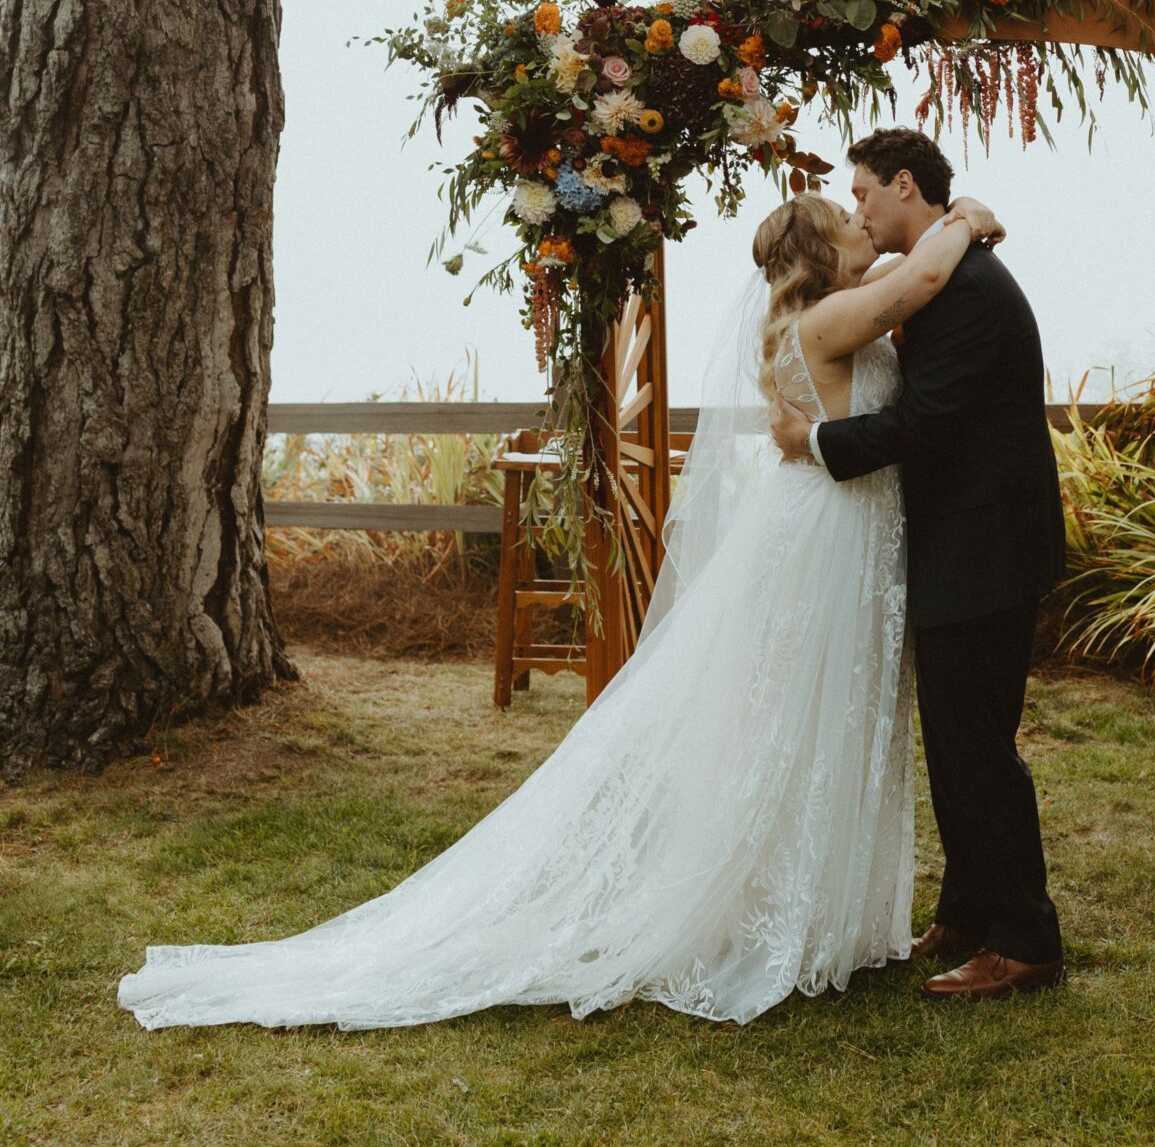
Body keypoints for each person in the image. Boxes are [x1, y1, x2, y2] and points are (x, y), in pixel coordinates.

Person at [117, 188, 999, 1031]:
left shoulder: (824, 314)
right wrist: (963, 217)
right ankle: (785, 911)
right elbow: (919, 282)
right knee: (807, 716)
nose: (858, 222)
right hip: (828, 534)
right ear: (816, 252)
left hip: (843, 525)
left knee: (826, 715)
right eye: (843, 218)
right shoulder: (826, 319)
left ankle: (809, 906)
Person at [770, 127, 1067, 1000]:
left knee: (977, 749)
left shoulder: (966, 288)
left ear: (904, 186)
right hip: (956, 542)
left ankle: (1024, 939)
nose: (855, 208)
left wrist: (815, 439)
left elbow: (924, 424)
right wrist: (968, 217)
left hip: (984, 549)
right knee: (956, 744)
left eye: (863, 192)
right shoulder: (929, 275)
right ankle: (971, 912)